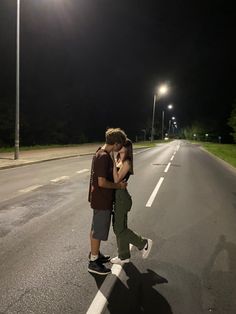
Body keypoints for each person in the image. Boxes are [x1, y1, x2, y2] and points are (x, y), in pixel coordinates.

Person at [88, 128, 127, 275]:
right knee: (98, 231)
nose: (121, 148)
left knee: (95, 228)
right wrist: (119, 185)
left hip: (99, 198)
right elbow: (102, 182)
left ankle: (95, 254)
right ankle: (93, 262)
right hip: (102, 199)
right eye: (120, 145)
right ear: (116, 143)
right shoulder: (103, 157)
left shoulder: (103, 152)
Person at [110, 139, 153, 265]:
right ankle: (124, 256)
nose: (117, 146)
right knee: (120, 227)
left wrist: (112, 161)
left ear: (126, 147)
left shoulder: (127, 162)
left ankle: (143, 243)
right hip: (117, 196)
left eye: (120, 144)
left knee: (119, 229)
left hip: (121, 197)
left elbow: (117, 179)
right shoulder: (119, 159)